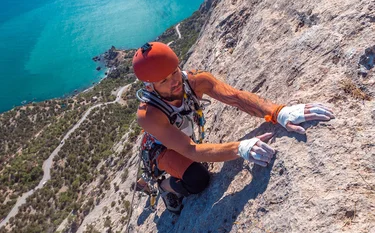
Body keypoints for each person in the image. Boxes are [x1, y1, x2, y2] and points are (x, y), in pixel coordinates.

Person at [133, 42, 335, 213]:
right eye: (164, 81)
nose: (175, 82)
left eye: (174, 72)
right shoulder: (149, 115)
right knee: (198, 179)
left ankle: (156, 181)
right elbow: (190, 150)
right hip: (162, 149)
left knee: (197, 166)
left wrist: (277, 112)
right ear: (150, 87)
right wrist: (240, 148)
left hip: (182, 137)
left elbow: (235, 97)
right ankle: (164, 186)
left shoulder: (195, 80)